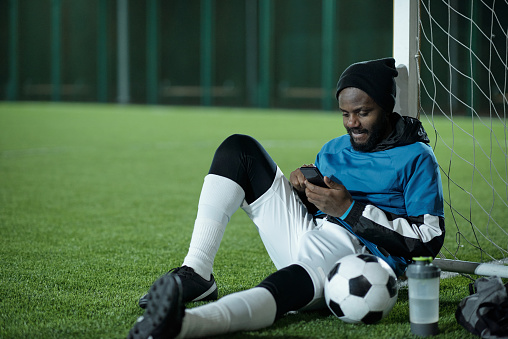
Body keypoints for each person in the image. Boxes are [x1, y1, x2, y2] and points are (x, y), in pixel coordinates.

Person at [127, 57, 445, 339]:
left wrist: (349, 210)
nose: (352, 124)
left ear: (387, 108)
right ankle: (197, 272)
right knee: (239, 149)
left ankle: (183, 325)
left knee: (279, 289)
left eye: (363, 113)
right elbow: (322, 208)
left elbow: (428, 239)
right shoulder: (333, 148)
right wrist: (304, 193)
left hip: (356, 258)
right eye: (345, 114)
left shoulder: (417, 158)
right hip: (309, 232)